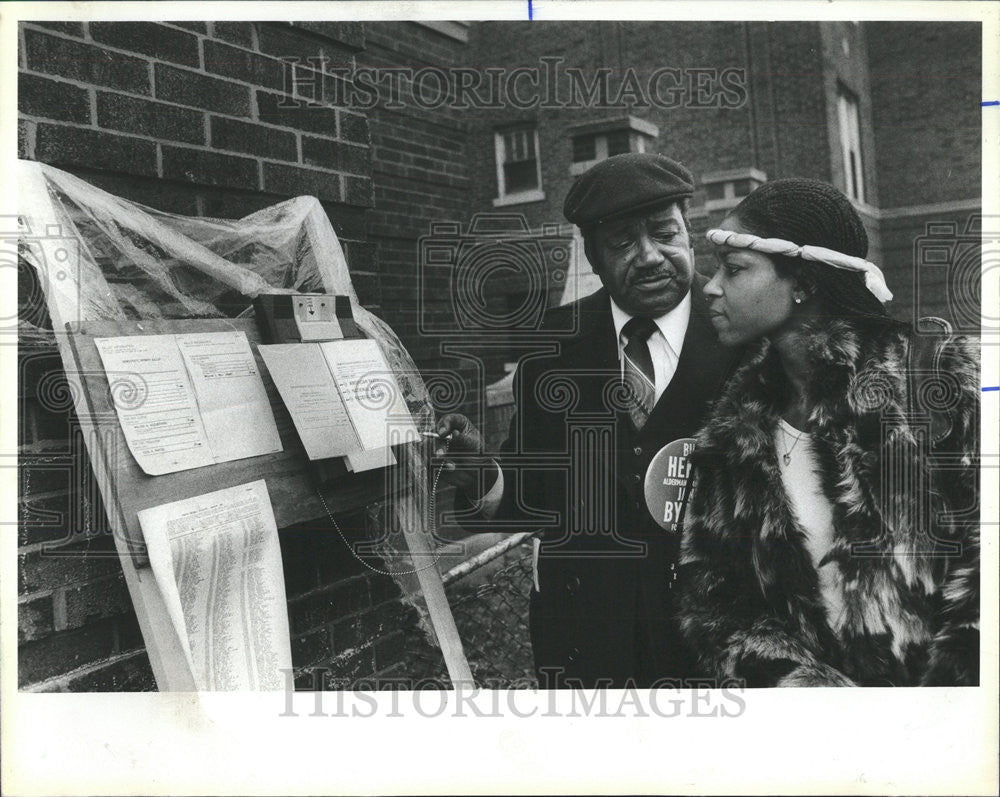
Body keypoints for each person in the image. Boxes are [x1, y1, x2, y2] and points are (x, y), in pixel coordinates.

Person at [436, 153, 743, 688]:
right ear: (595, 259)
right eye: (623, 243)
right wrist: (483, 477)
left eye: (664, 234)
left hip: (718, 644)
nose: (649, 257)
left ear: (689, 235)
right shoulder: (555, 347)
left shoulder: (744, 336)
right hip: (586, 645)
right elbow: (533, 493)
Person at [677, 178, 980, 687]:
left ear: (803, 282)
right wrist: (810, 693)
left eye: (735, 270)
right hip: (818, 744)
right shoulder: (734, 434)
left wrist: (941, 709)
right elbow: (714, 603)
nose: (710, 286)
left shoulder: (938, 379)